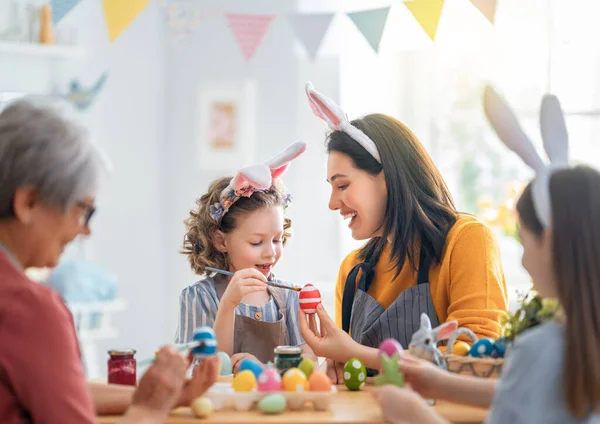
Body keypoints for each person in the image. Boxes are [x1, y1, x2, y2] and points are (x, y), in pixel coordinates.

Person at [374, 87, 600, 423]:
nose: (523, 261)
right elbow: (533, 391)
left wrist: (414, 415)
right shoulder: (580, 345)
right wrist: (441, 383)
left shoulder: (538, 349)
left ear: (549, 242)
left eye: (525, 243)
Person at [0, 97, 217, 424]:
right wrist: (148, 409)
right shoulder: (28, 308)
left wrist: (167, 394)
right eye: (83, 209)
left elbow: (56, 388)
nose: (85, 229)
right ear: (28, 202)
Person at [300, 82, 508, 381]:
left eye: (342, 185)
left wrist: (354, 353)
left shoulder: (467, 241)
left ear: (388, 177)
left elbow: (476, 361)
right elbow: (351, 371)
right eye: (331, 188)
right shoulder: (353, 272)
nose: (333, 203)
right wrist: (332, 364)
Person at [175, 142, 316, 369]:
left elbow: (308, 357)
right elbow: (200, 370)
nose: (270, 252)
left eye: (277, 239)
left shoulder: (288, 297)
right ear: (221, 241)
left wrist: (265, 370)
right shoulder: (198, 299)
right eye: (256, 242)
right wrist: (228, 305)